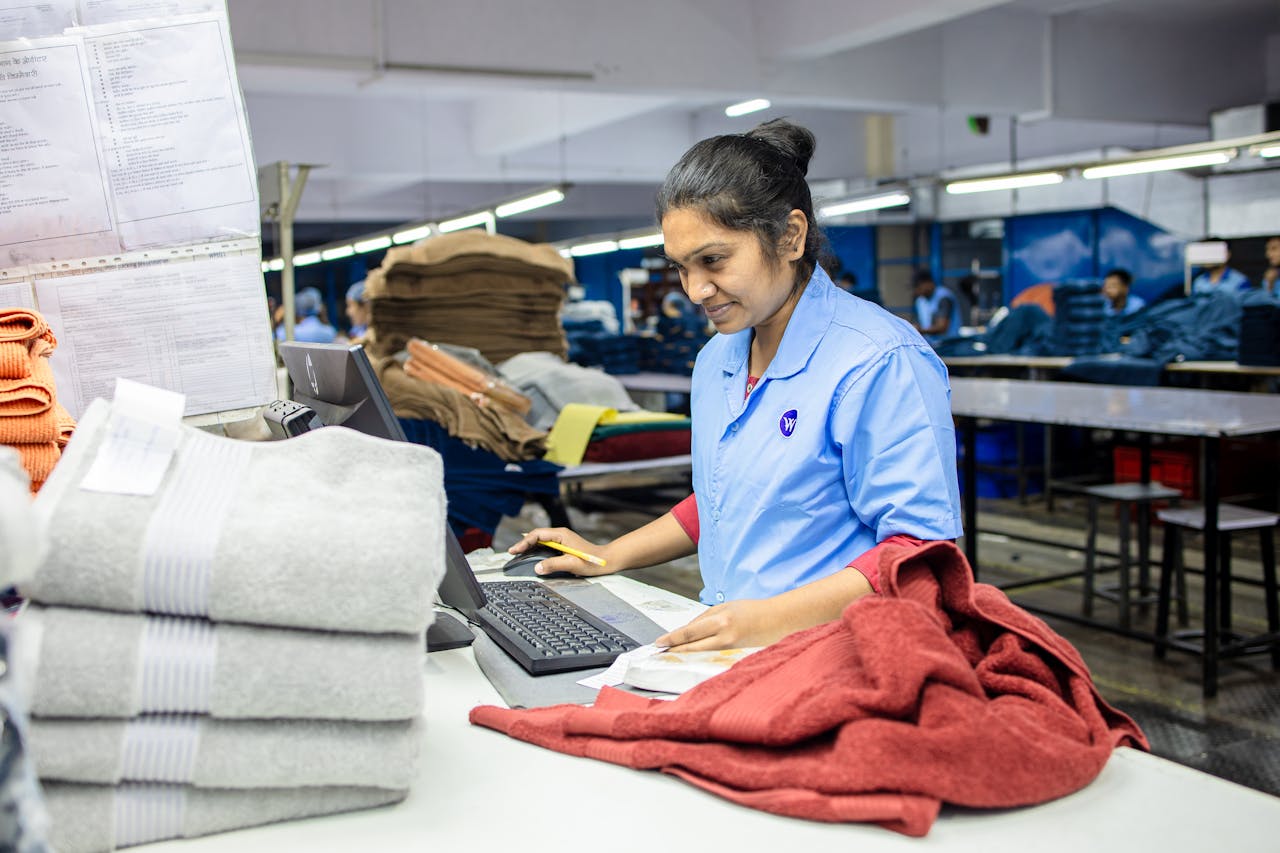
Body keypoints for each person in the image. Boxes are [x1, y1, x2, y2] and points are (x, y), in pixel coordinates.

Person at [509, 119, 961, 652]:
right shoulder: (718, 359)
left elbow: (920, 551)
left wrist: (767, 620)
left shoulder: (878, 361)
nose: (696, 289)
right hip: (734, 646)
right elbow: (721, 501)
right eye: (681, 266)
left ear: (790, 236)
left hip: (837, 652)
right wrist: (609, 554)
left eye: (714, 260)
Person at [910, 269, 964, 343]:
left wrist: (920, 330)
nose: (916, 291)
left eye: (918, 287)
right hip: (933, 345)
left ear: (928, 283)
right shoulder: (920, 301)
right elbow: (920, 323)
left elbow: (942, 328)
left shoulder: (943, 296)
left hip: (951, 345)